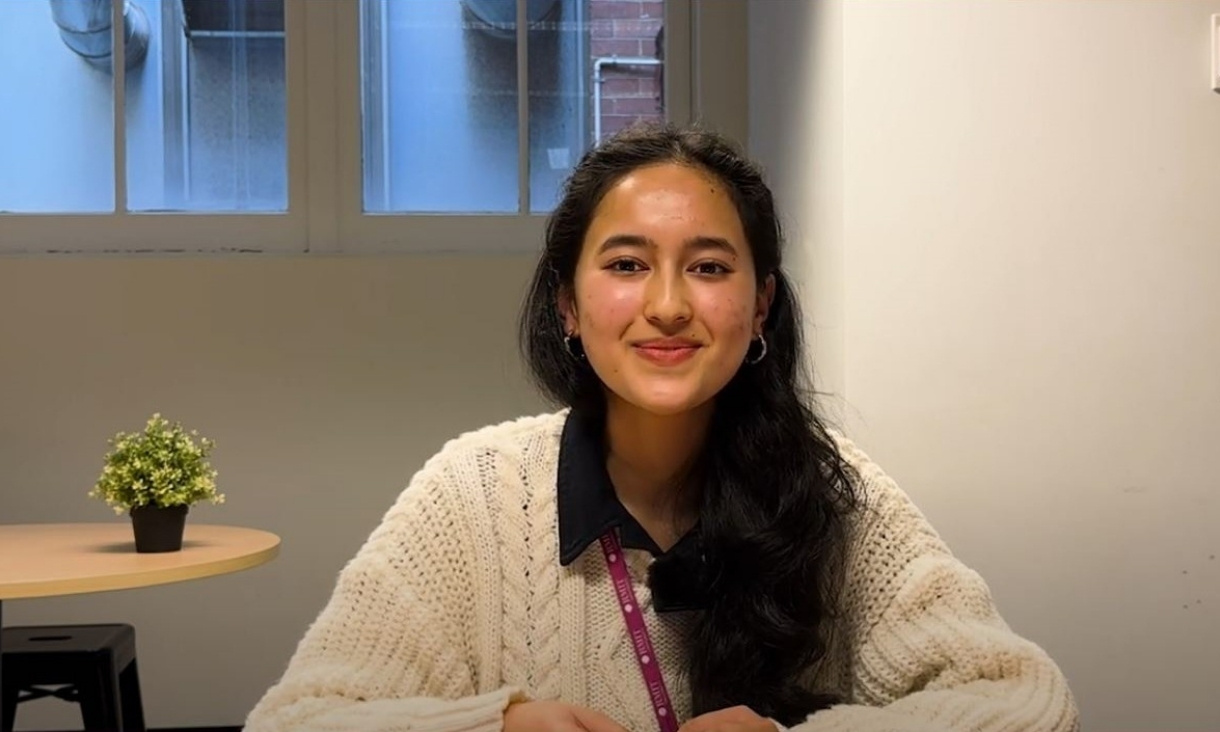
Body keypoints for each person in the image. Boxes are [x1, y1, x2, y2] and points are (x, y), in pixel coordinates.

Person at [244, 123, 1079, 732]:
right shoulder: (474, 493)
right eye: (627, 264)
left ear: (759, 308)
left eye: (710, 267)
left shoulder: (830, 490)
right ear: (569, 305)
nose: (670, 305)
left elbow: (1031, 704)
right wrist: (493, 727)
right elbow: (295, 720)